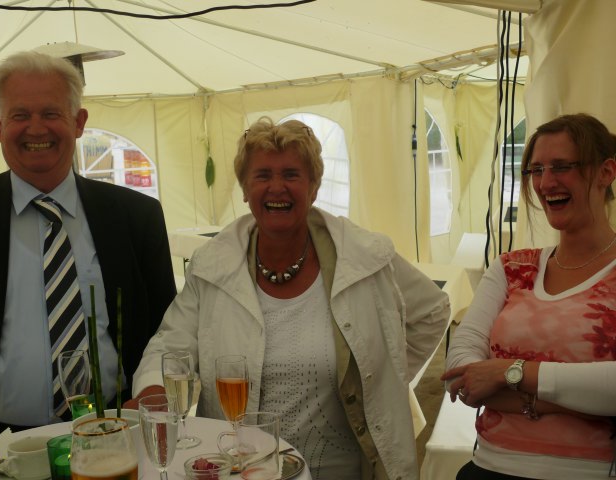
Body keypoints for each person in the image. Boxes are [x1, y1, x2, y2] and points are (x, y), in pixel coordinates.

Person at [126, 117, 451, 479]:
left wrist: (377, 378)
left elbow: (433, 311)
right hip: (242, 470)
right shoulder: (213, 266)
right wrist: (152, 390)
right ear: (245, 189)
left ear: (314, 187)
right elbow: (169, 345)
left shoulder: (363, 255)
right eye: (263, 175)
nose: (277, 187)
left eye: (292, 175)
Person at [0, 51, 177, 442]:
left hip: (116, 430)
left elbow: (167, 331)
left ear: (79, 121)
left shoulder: (136, 216)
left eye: (51, 113)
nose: (36, 128)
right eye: (20, 115)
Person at [442, 113, 616, 480]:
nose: (546, 182)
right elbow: (459, 371)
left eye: (562, 166)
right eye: (536, 170)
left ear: (606, 172)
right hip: (490, 467)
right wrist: (585, 401)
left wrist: (509, 372)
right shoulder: (511, 269)